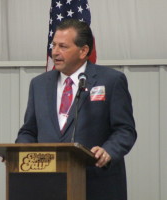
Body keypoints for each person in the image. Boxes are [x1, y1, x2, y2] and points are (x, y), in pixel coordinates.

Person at [15, 19, 137, 200]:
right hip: (47, 185)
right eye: (54, 45)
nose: (55, 52)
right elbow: (29, 130)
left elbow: (125, 130)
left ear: (83, 51)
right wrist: (18, 152)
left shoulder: (111, 80)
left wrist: (108, 151)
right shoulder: (39, 84)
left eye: (63, 46)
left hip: (97, 185)